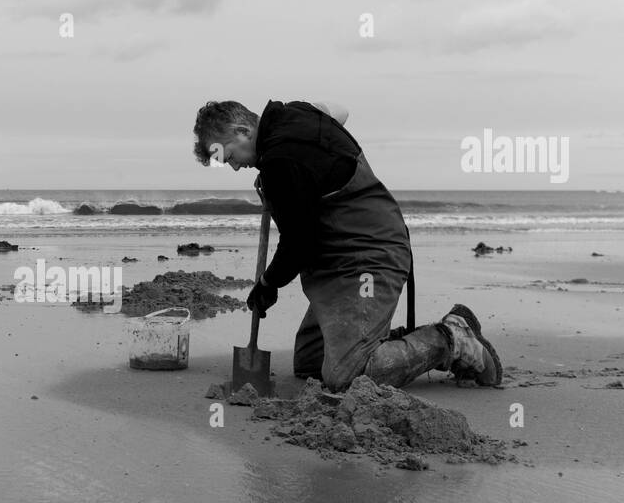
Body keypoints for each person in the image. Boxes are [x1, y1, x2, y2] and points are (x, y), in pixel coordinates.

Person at [191, 99, 502, 392]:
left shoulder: (280, 162)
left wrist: (267, 283)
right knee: (310, 363)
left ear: (244, 131)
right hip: (336, 264)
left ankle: (452, 338)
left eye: (229, 157)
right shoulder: (297, 112)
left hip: (369, 257)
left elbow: (300, 243)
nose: (233, 167)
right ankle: (372, 343)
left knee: (346, 375)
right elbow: (339, 111)